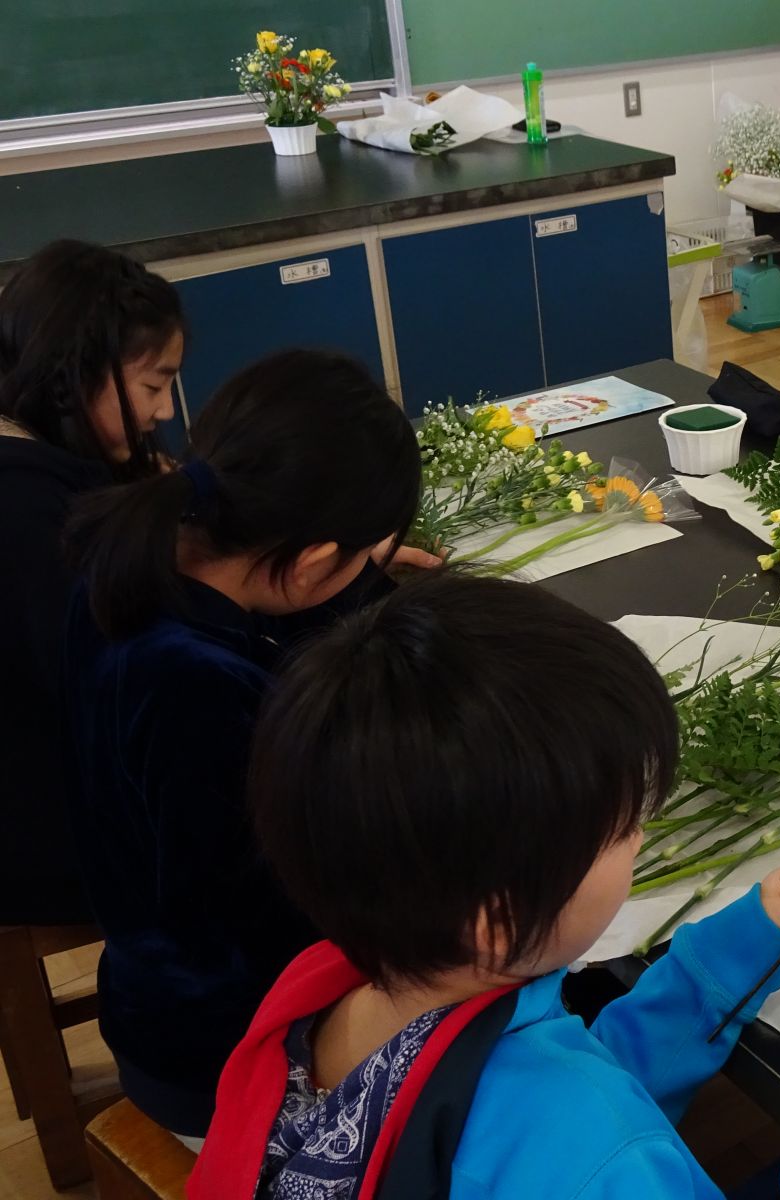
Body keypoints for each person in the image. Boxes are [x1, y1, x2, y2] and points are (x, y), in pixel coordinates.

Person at [192, 573, 780, 1198]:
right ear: (502, 920)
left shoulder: (330, 988)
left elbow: (544, 1090)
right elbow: (579, 1136)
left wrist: (729, 963)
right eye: (627, 828)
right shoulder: (596, 1151)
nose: (641, 841)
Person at [61, 349, 428, 1139]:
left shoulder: (133, 568)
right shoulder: (196, 687)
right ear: (311, 564)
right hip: (222, 1055)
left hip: (155, 996)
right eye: (366, 560)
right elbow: (273, 914)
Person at [0, 239, 184, 925]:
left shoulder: (58, 450)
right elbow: (112, 690)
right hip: (46, 828)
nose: (165, 410)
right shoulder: (25, 509)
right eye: (152, 386)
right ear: (75, 376)